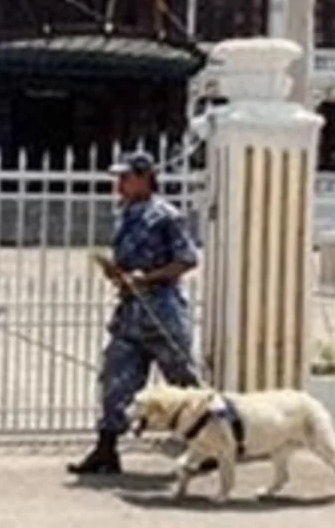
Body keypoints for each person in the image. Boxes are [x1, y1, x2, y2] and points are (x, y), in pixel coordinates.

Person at [67, 151, 205, 476]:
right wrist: (117, 273)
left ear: (145, 178)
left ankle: (206, 447)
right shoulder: (125, 214)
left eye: (126, 178)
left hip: (161, 312)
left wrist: (148, 277)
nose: (120, 184)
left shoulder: (166, 216)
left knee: (184, 382)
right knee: (115, 379)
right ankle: (106, 448)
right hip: (130, 312)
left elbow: (186, 260)